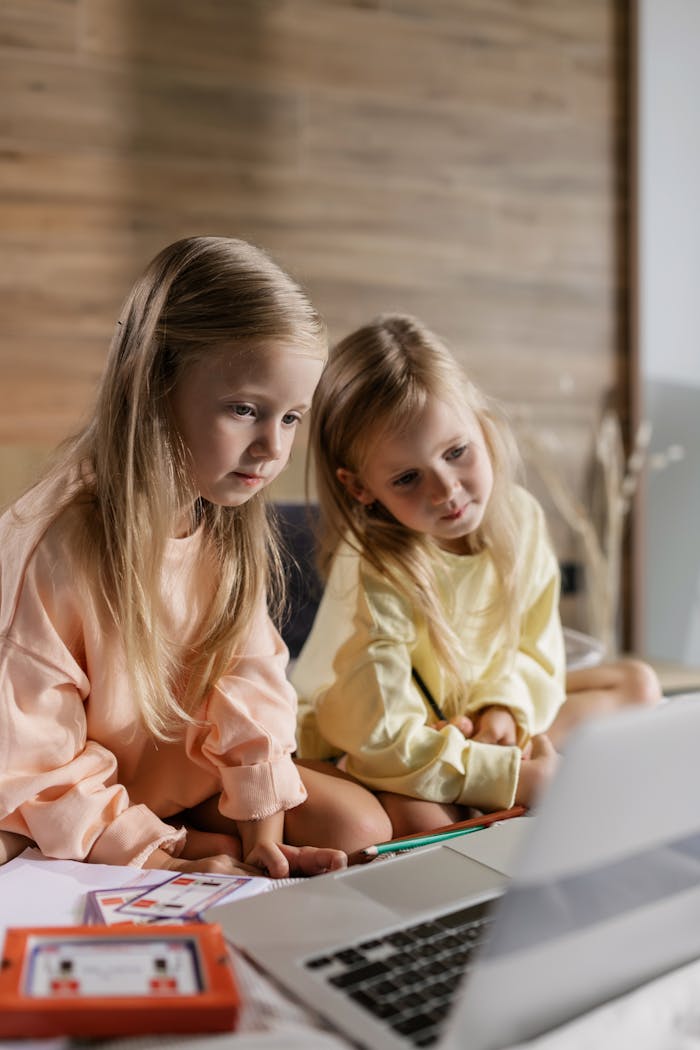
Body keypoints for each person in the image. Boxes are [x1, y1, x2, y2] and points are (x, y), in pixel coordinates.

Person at [0, 236, 391, 877]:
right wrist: (158, 858)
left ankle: (198, 842)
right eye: (244, 410)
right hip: (64, 786)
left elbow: (251, 683)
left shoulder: (223, 521)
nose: (271, 448)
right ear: (155, 387)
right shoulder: (57, 543)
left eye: (292, 418)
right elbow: (33, 756)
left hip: (175, 781)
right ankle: (156, 846)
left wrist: (262, 834)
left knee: (360, 826)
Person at [292, 313, 662, 837]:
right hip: (368, 737)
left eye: (456, 452)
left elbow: (537, 652)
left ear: (481, 426)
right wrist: (511, 776)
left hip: (465, 713)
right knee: (421, 819)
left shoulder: (521, 518)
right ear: (361, 488)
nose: (445, 490)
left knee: (637, 684)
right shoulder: (376, 562)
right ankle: (498, 790)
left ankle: (488, 784)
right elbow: (378, 735)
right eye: (406, 478)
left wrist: (502, 710)